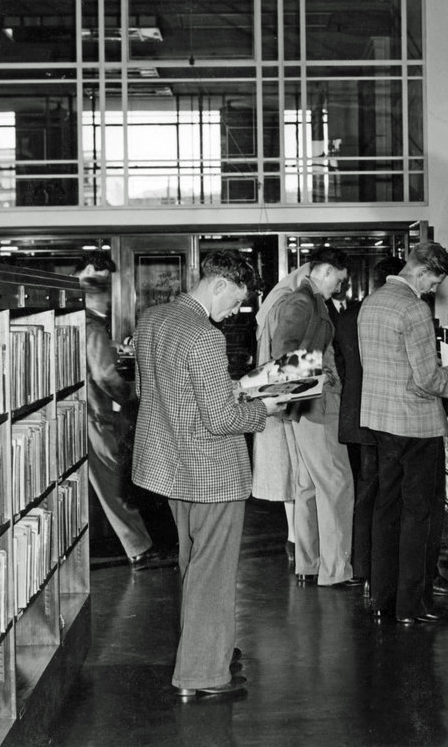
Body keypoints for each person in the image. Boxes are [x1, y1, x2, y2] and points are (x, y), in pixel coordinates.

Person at [131, 251, 287, 698]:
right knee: (213, 572)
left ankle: (210, 650)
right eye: (236, 301)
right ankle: (202, 674)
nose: (234, 312)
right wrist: (264, 408)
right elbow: (220, 420)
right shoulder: (205, 335)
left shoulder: (153, 319)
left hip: (170, 466)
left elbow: (151, 391)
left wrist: (236, 387)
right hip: (211, 470)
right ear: (218, 285)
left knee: (193, 565)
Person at [357, 241, 448, 624]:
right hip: (415, 425)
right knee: (419, 516)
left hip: (380, 420)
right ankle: (414, 607)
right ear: (423, 271)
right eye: (435, 281)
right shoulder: (414, 308)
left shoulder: (372, 301)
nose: (433, 290)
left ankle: (382, 599)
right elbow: (427, 378)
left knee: (386, 510)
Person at [268, 247, 358, 587]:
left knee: (308, 486)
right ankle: (335, 571)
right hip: (318, 406)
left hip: (306, 406)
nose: (341, 285)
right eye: (339, 278)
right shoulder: (303, 301)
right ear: (325, 270)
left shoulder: (307, 300)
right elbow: (282, 353)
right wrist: (322, 374)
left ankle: (310, 563)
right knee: (337, 485)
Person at [74, 252, 169, 570]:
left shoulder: (71, 319)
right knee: (113, 482)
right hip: (95, 417)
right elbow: (103, 375)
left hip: (75, 414)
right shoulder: (92, 327)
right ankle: (139, 548)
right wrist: (129, 396)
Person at [332, 256, 405, 594]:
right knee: (388, 491)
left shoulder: (347, 316)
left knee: (365, 488)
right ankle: (383, 569)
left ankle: (360, 566)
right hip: (387, 415)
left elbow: (343, 368)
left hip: (354, 414)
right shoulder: (393, 314)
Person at [251, 262, 312, 565]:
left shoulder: (274, 303)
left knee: (288, 475)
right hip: (288, 403)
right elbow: (290, 359)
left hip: (275, 402)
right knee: (298, 471)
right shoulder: (293, 305)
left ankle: (293, 537)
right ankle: (297, 539)